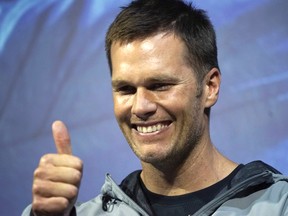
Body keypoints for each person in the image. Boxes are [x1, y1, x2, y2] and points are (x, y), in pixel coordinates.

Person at [22, 0, 288, 215]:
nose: (141, 106)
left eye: (160, 85)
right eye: (125, 89)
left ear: (210, 87)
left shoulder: (278, 206)